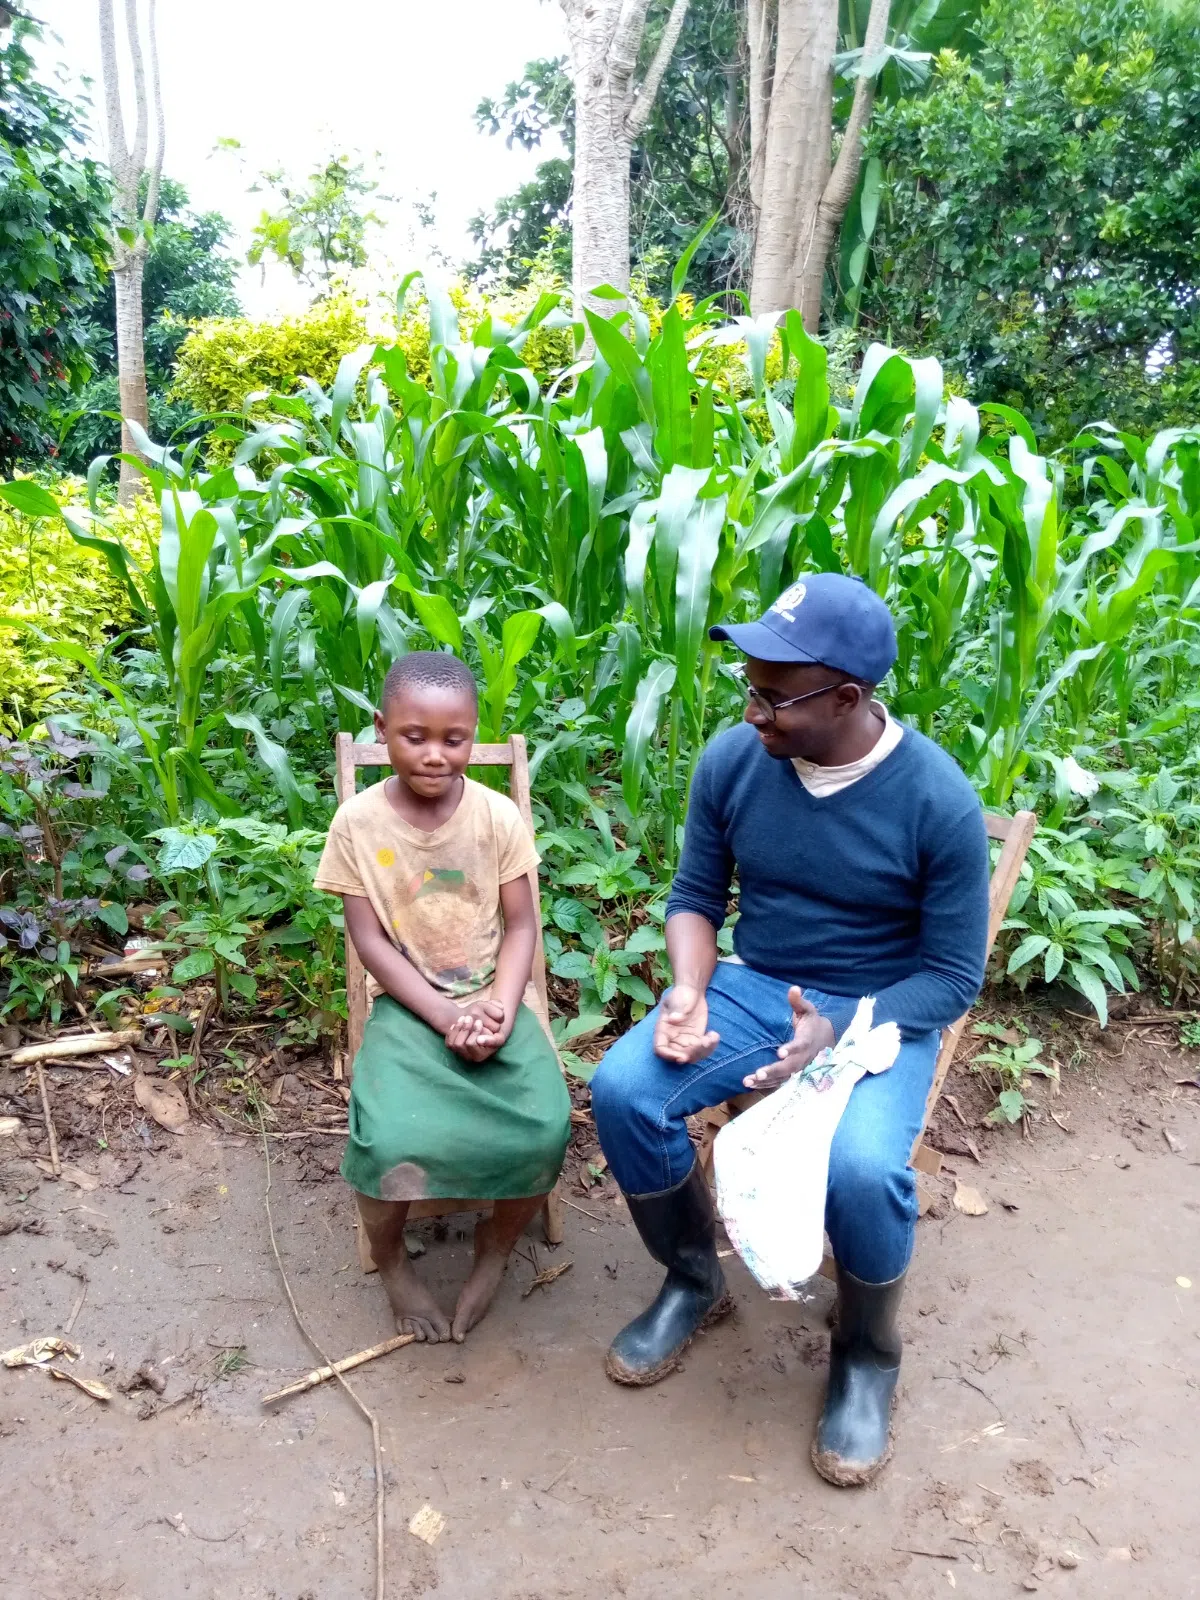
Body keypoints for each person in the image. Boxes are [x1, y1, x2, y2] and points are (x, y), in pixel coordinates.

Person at [590, 573, 990, 1485]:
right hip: (759, 984)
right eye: (749, 688)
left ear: (847, 697)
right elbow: (695, 898)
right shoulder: (737, 761)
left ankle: (865, 1352)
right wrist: (689, 990)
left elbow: (952, 979)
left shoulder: (937, 802)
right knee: (624, 1091)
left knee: (860, 1171)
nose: (752, 712)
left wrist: (843, 1027)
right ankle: (695, 1280)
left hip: (883, 1009)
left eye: (773, 695)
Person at [314, 652, 570, 1345]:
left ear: (474, 732)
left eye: (453, 739)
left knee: (546, 1125)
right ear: (383, 729)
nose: (434, 754)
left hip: (495, 995)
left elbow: (523, 925)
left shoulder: (495, 819)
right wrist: (442, 1012)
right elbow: (370, 944)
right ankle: (394, 1260)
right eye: (413, 736)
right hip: (409, 1003)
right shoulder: (358, 826)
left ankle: (495, 1247)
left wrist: (501, 1006)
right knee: (385, 1139)